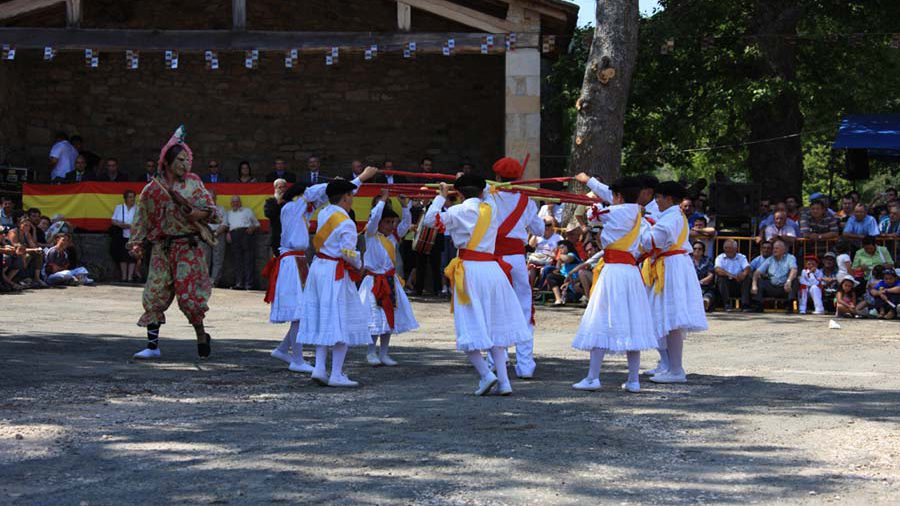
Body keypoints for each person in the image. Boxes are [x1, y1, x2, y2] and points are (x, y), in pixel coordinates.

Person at [423, 174, 531, 396]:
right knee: (494, 327)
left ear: (459, 194)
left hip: (470, 272)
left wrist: (441, 196)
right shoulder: (491, 209)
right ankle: (504, 382)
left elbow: (430, 220)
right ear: (482, 192)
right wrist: (484, 186)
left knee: (469, 324)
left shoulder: (457, 211)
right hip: (493, 272)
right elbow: (488, 195)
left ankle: (485, 374)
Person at [265, 166, 377, 374]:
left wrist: (342, 184)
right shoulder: (293, 206)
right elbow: (322, 193)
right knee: (300, 312)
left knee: (301, 312)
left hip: (296, 261)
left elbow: (323, 197)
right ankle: (296, 358)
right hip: (292, 262)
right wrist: (359, 178)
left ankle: (283, 349)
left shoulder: (298, 208)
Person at [128, 126, 222, 360]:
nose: (185, 164)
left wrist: (195, 214)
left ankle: (201, 334)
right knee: (154, 293)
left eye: (187, 159)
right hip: (162, 247)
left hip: (188, 248)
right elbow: (141, 217)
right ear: (167, 161)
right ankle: (152, 346)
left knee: (190, 298)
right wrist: (136, 243)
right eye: (180, 159)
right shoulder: (152, 189)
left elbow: (213, 213)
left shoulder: (193, 183)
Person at [568, 174, 658, 393]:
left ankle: (592, 377)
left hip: (613, 272)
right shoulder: (639, 212)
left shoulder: (611, 212)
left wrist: (592, 195)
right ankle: (634, 380)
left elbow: (591, 216)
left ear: (617, 196)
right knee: (632, 320)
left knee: (600, 318)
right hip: (631, 273)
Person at [299, 177, 374, 388]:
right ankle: (337, 374)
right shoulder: (346, 222)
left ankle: (320, 368)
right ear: (345, 197)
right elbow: (348, 253)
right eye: (351, 195)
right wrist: (360, 262)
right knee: (342, 320)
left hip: (319, 268)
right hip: (335, 272)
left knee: (325, 318)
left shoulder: (324, 212)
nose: (352, 199)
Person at [643, 181, 709, 384]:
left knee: (671, 319)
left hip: (671, 268)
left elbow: (651, 241)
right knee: (665, 317)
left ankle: (676, 369)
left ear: (668, 198)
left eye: (659, 197)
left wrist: (639, 227)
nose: (656, 201)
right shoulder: (672, 214)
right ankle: (670, 366)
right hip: (670, 265)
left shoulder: (671, 217)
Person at [490, 157, 545, 378]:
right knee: (523, 309)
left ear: (497, 177)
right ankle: (525, 365)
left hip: (492, 260)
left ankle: (494, 360)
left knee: (494, 309)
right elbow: (540, 230)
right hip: (516, 259)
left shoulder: (488, 197)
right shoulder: (527, 201)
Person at [359, 189, 418, 367]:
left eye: (392, 221)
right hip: (374, 281)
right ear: (378, 222)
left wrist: (405, 207)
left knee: (389, 317)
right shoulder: (371, 235)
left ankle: (384, 353)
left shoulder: (393, 237)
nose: (391, 225)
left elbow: (406, 223)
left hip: (390, 281)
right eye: (387, 222)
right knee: (375, 319)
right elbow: (375, 218)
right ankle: (371, 352)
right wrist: (382, 201)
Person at [751, 239, 799, 313]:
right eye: (773, 248)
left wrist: (789, 281)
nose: (774, 250)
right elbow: (756, 272)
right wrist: (754, 285)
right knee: (759, 281)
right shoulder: (770, 259)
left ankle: (789, 305)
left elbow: (794, 270)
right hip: (772, 287)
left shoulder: (790, 258)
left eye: (777, 248)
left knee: (794, 281)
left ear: (783, 250)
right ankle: (758, 306)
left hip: (785, 287)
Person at [224, 195, 260, 290]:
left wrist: (252, 228)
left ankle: (249, 284)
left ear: (240, 203)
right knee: (237, 260)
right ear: (231, 204)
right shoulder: (228, 213)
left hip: (246, 234)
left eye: (237, 201)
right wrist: (228, 233)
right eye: (233, 202)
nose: (235, 203)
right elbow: (226, 225)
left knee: (248, 259)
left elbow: (257, 224)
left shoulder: (247, 211)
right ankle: (239, 283)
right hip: (234, 235)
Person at [714, 239, 752, 311]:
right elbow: (717, 270)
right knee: (721, 278)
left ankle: (745, 305)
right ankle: (727, 304)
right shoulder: (720, 257)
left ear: (735, 249)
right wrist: (732, 276)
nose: (727, 250)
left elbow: (747, 267)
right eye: (726, 248)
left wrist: (743, 274)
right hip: (727, 283)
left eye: (730, 248)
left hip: (739, 283)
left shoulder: (741, 257)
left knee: (747, 278)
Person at [200, 189, 228, 287]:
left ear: (216, 198)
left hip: (219, 234)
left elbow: (225, 224)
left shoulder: (221, 209)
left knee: (218, 259)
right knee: (205, 259)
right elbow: (199, 223)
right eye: (209, 197)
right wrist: (205, 233)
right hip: (205, 234)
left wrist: (215, 233)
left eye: (213, 197)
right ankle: (204, 281)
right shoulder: (202, 209)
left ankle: (213, 282)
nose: (211, 199)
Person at [110, 190, 138, 283]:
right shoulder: (119, 207)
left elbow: (140, 222)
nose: (132, 199)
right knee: (122, 256)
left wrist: (131, 226)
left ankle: (130, 277)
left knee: (132, 256)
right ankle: (124, 276)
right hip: (121, 235)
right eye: (130, 197)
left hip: (133, 235)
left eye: (133, 197)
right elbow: (113, 220)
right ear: (125, 198)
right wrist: (122, 225)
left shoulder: (137, 208)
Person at [546, 240, 581, 306]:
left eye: (562, 247)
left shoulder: (572, 254)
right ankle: (558, 299)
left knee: (550, 276)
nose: (560, 250)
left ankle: (562, 298)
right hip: (565, 279)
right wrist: (559, 260)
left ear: (568, 247)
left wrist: (559, 255)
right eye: (559, 248)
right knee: (550, 275)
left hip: (573, 281)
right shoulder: (562, 256)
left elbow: (568, 259)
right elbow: (557, 269)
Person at [264, 179, 289, 256]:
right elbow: (269, 214)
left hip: (289, 237)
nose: (282, 189)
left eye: (284, 187)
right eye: (280, 187)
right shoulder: (270, 201)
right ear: (275, 189)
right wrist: (278, 204)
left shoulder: (290, 202)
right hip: (276, 237)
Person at [691, 241, 715, 311]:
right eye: (694, 248)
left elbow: (710, 275)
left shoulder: (707, 260)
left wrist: (700, 282)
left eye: (699, 249)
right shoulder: (687, 260)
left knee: (709, 294)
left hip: (704, 285)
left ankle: (705, 303)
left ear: (703, 251)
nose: (697, 250)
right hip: (691, 286)